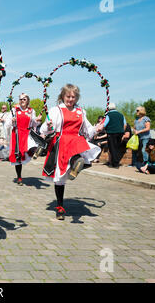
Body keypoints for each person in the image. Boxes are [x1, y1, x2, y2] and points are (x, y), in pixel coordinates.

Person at [40, 84, 103, 220]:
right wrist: (48, 126)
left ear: (77, 98)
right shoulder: (56, 110)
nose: (70, 99)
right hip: (61, 142)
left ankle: (77, 163)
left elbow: (88, 130)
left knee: (78, 147)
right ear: (63, 96)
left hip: (75, 140)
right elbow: (45, 130)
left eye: (73, 97)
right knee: (60, 179)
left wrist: (97, 128)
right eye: (68, 96)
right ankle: (60, 206)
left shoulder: (81, 111)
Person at [6, 94, 41, 185]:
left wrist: (38, 120)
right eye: (20, 99)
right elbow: (7, 124)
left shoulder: (31, 111)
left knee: (33, 145)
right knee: (18, 157)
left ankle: (35, 153)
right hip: (17, 134)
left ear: (27, 100)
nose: (22, 100)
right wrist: (12, 121)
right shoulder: (14, 110)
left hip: (27, 133)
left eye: (24, 99)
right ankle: (19, 177)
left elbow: (34, 123)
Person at [102, 103, 127, 168]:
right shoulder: (121, 115)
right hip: (120, 133)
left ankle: (115, 164)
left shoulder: (108, 115)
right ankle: (115, 162)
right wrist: (122, 131)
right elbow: (125, 124)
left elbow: (105, 124)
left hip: (111, 133)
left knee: (112, 148)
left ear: (109, 108)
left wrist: (104, 129)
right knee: (117, 147)